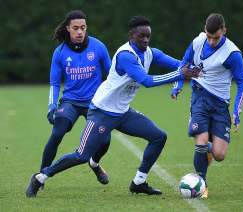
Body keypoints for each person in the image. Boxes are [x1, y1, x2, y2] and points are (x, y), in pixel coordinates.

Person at [26, 15, 200, 197]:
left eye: (148, 35)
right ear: (131, 35)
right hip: (102, 111)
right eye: (141, 36)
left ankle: (139, 182)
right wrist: (180, 75)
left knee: (158, 137)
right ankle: (40, 177)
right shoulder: (126, 56)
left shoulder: (151, 53)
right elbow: (147, 81)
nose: (145, 39)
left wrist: (196, 68)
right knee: (81, 155)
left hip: (123, 113)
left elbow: (179, 65)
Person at [171, 13, 243, 198]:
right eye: (209, 37)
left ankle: (208, 151)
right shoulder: (198, 41)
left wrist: (237, 110)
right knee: (201, 142)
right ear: (205, 31)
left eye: (216, 37)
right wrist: (178, 83)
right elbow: (185, 62)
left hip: (221, 104)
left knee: (219, 155)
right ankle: (202, 185)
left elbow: (242, 82)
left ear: (224, 32)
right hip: (199, 96)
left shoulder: (233, 54)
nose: (212, 41)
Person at [39, 10, 112, 189]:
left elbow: (112, 76)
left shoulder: (98, 47)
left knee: (105, 141)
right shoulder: (60, 52)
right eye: (76, 28)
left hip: (95, 103)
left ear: (86, 27)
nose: (80, 32)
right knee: (56, 134)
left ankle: (94, 163)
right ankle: (40, 176)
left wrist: (113, 101)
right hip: (70, 101)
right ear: (68, 29)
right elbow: (55, 82)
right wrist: (51, 105)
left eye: (83, 28)